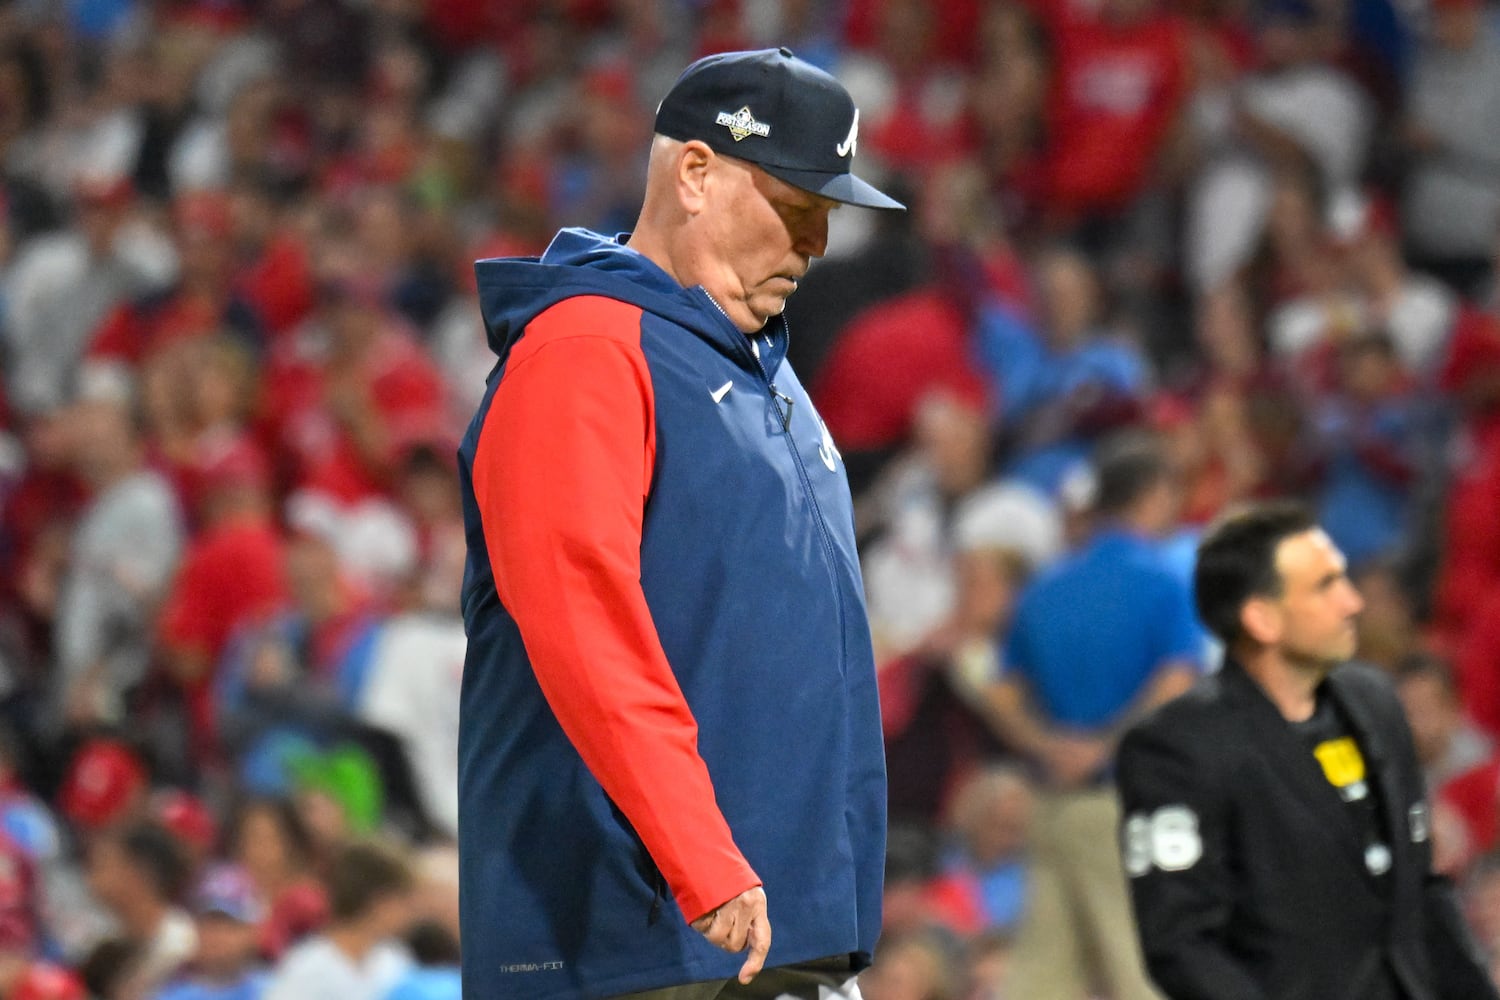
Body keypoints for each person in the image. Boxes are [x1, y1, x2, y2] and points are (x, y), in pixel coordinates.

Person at [457, 47, 900, 1000]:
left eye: (828, 215)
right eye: (795, 207)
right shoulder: (586, 349)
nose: (817, 243)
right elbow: (583, 625)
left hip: (762, 935)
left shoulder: (757, 367)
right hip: (633, 938)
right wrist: (704, 858)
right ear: (695, 175)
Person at [1117, 501, 1499, 999]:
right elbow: (1183, 945)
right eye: (1325, 586)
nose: (1352, 602)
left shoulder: (1377, 702)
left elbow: (1420, 891)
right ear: (1263, 620)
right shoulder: (1177, 749)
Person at [981, 432, 1200, 1000]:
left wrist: (1048, 746)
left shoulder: (1045, 588)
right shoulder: (1163, 581)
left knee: (1040, 979)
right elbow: (1178, 680)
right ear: (1152, 495)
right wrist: (1103, 747)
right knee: (1142, 968)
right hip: (1125, 801)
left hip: (1052, 803)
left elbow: (1001, 692)